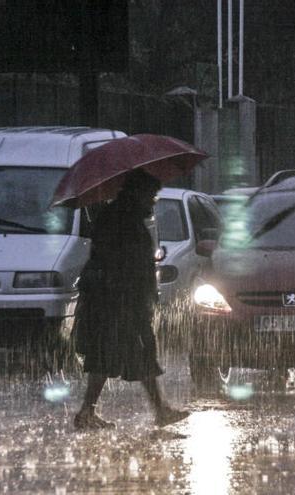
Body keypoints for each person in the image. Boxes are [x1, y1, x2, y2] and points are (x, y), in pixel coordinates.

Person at [72, 169, 190, 429]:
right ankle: (158, 411)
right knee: (131, 353)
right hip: (118, 301)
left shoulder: (121, 216)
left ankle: (88, 412)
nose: (153, 201)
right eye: (152, 196)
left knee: (112, 355)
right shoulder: (122, 218)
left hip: (114, 300)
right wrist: (139, 292)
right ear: (138, 193)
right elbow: (121, 261)